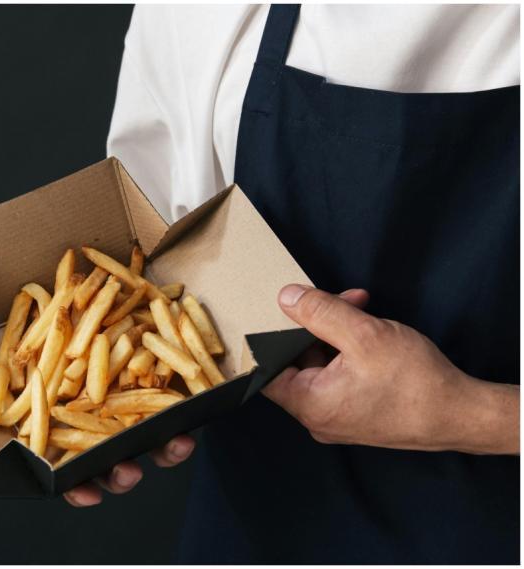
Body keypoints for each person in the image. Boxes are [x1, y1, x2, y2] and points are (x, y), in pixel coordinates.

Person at [63, 4, 520, 564]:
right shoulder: (200, 15)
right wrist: (112, 414)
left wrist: (473, 415)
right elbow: (152, 259)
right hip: (259, 521)